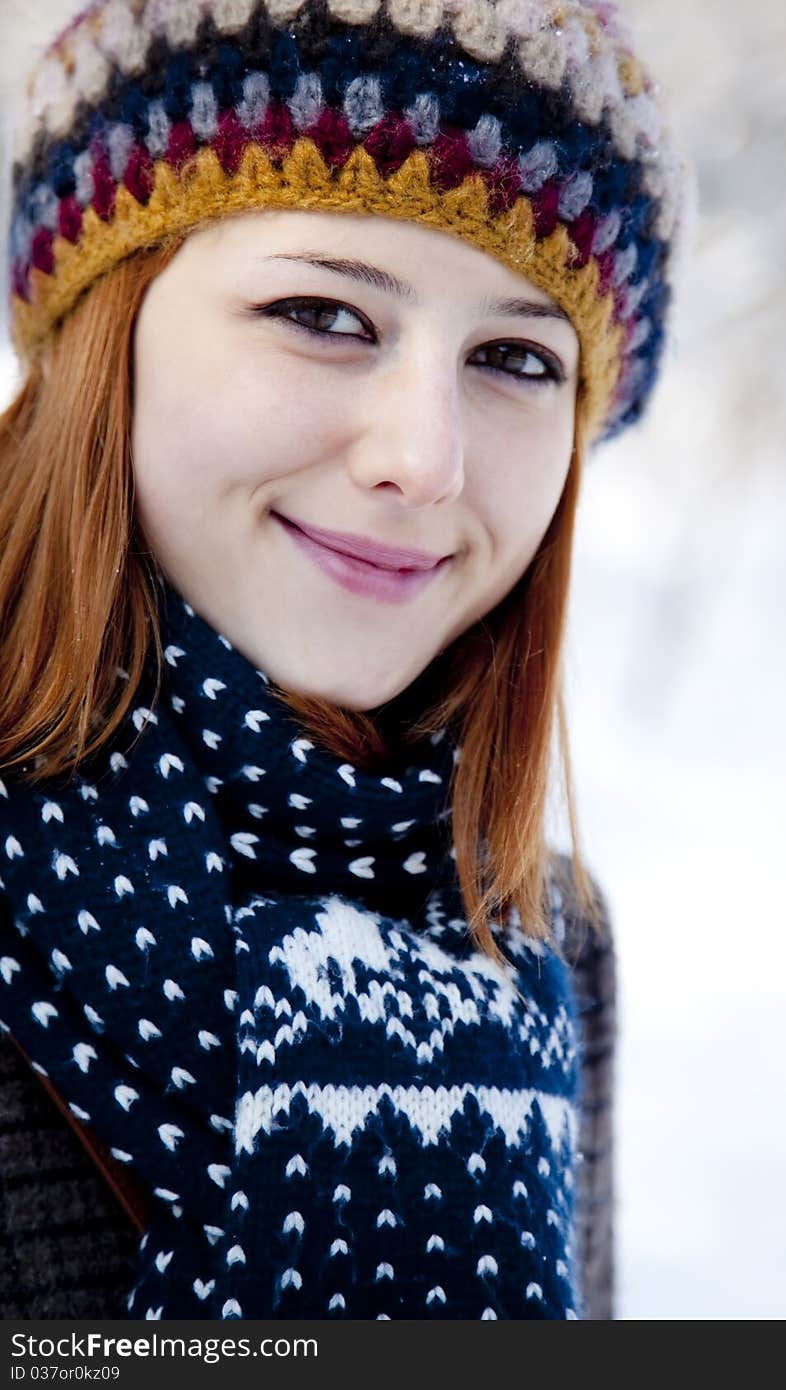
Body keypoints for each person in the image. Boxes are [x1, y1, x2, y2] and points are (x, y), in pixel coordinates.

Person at [0, 0, 692, 1320]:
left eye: (513, 356)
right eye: (322, 311)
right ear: (109, 329)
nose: (422, 460)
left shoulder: (538, 937)